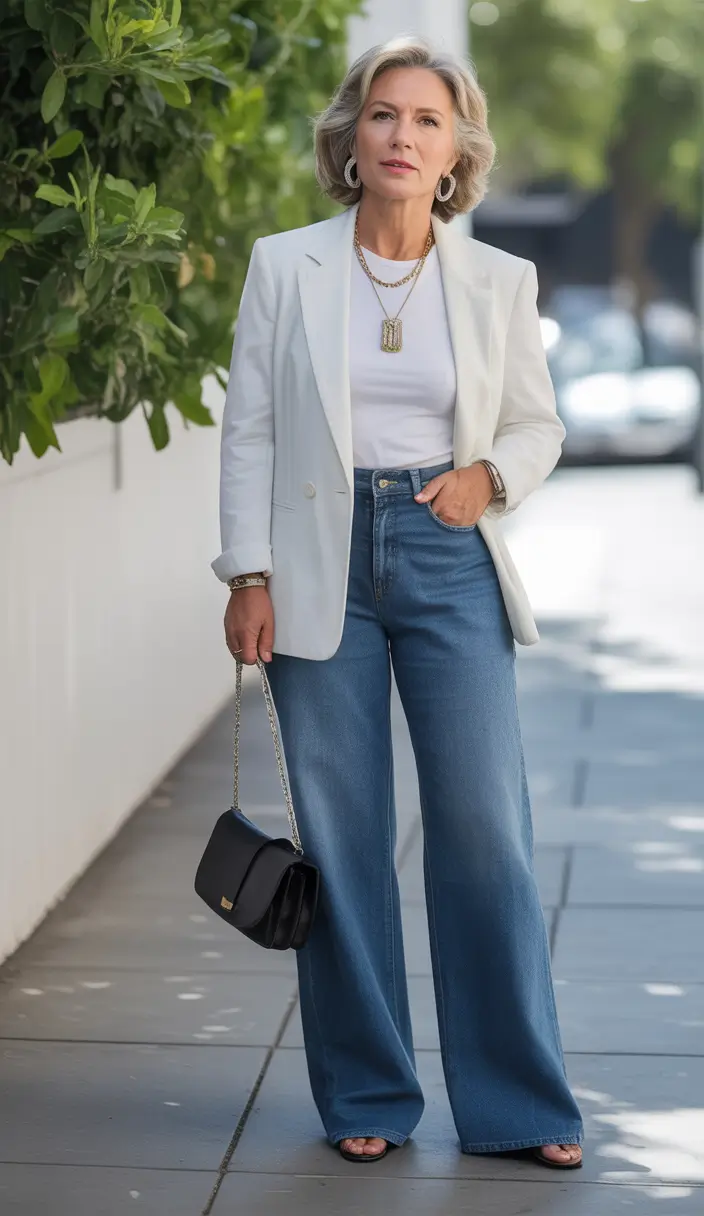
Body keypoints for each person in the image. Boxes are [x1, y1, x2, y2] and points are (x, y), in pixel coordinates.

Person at [212, 34, 584, 1169]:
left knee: (484, 831)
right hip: (317, 562)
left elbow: (535, 422)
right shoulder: (288, 265)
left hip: (443, 550)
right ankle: (367, 1088)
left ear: (454, 149)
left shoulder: (495, 280)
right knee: (344, 835)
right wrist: (246, 572)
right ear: (350, 135)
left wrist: (489, 479)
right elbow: (252, 433)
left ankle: (518, 1103)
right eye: (382, 115)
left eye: (424, 120)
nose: (401, 137)